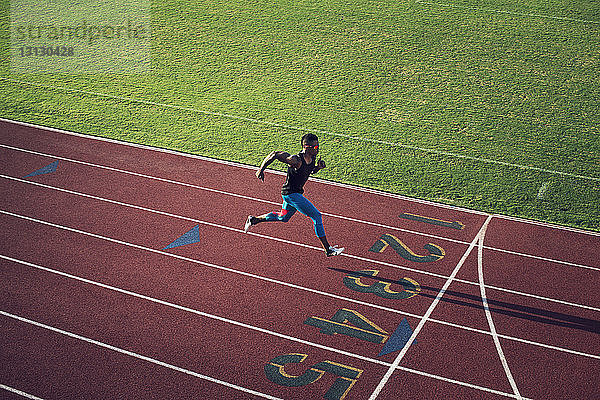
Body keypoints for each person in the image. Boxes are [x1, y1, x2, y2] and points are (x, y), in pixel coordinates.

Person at [244, 133, 344, 257]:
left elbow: (309, 170)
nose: (318, 149)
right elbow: (275, 154)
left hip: (293, 194)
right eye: (315, 147)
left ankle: (254, 220)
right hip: (291, 195)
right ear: (307, 147)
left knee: (283, 218)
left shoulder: (312, 159)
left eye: (318, 146)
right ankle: (328, 249)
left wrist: (318, 168)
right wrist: (261, 169)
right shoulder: (296, 160)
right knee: (317, 216)